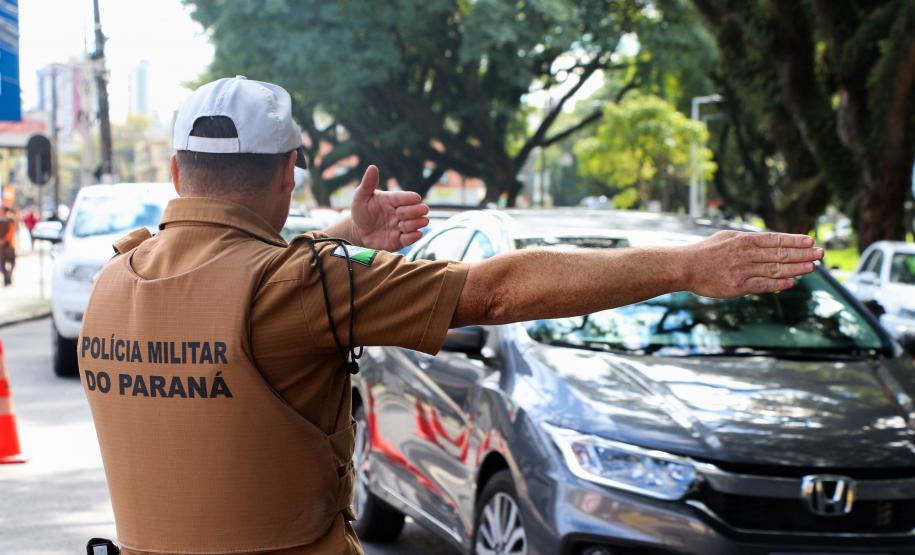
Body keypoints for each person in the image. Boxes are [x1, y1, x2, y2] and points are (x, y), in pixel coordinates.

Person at [78, 76, 823, 555]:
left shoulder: (115, 277)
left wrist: (342, 237)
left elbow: (234, 281)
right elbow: (493, 291)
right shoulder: (298, 286)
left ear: (177, 171)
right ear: (285, 173)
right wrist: (685, 265)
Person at [0, 206, 16, 286]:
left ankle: (7, 276)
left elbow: (11, 231)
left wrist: (2, 241)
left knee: (2, 263)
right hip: (10, 245)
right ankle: (8, 276)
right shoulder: (11, 219)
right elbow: (12, 231)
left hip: (5, 245)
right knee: (11, 262)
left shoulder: (9, 219)